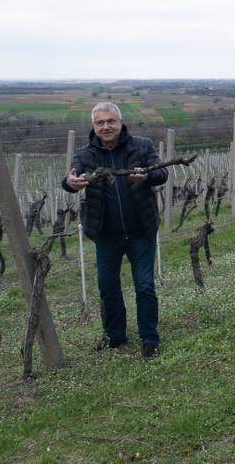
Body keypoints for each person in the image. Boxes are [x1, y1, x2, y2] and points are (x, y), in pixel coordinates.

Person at [62, 102, 167, 359]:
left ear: (120, 123)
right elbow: (69, 180)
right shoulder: (85, 155)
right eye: (100, 122)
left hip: (141, 229)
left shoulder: (142, 146)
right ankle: (115, 336)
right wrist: (70, 183)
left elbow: (161, 173)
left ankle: (149, 338)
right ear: (94, 127)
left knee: (144, 286)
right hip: (106, 233)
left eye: (111, 121)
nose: (106, 126)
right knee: (108, 287)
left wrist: (147, 177)